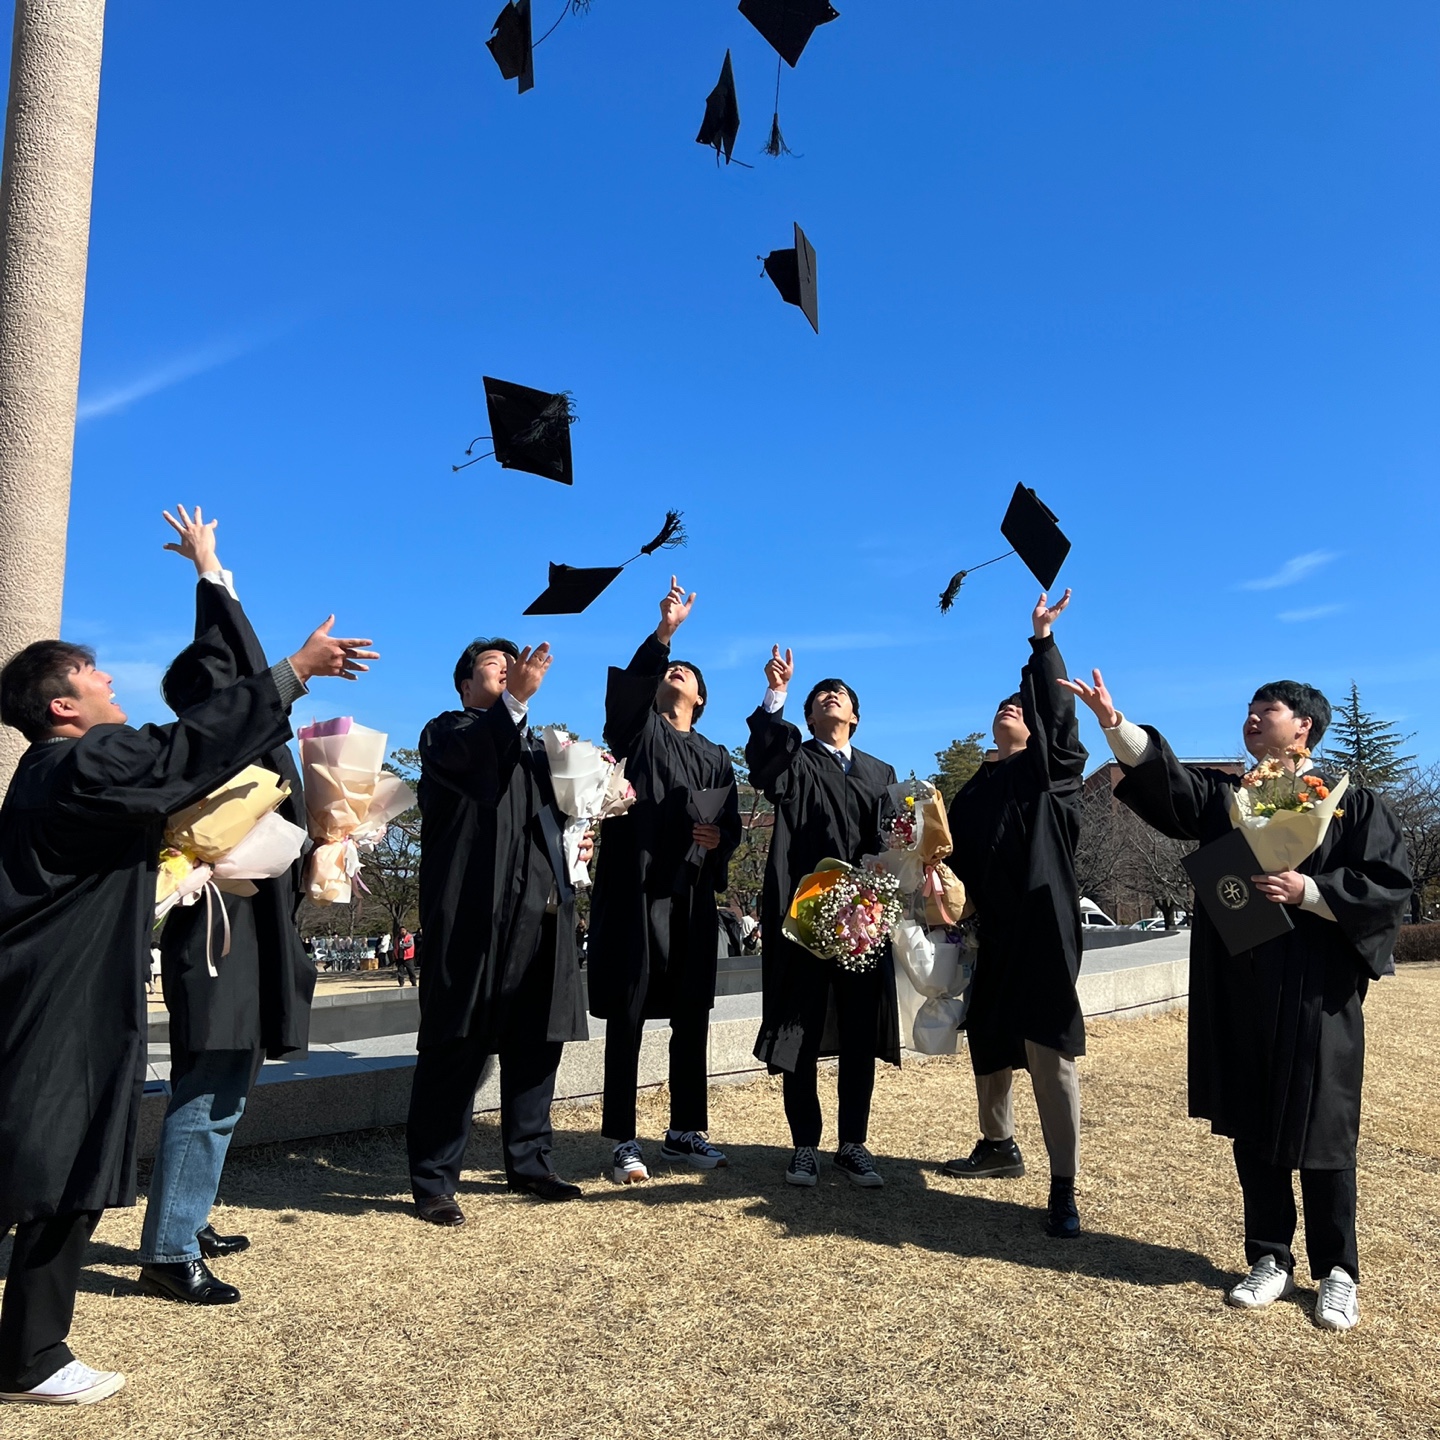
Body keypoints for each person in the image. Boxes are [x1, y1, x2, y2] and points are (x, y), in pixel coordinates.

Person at [0, 548, 372, 1406]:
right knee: (52, 1165)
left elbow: (185, 758)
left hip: (60, 986)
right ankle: (30, 1357)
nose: (110, 681)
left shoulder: (52, 774)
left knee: (49, 1163)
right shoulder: (82, 764)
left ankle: (30, 1353)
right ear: (62, 706)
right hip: (60, 996)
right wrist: (290, 671)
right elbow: (188, 746)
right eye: (92, 675)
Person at [1061, 668, 1412, 1330]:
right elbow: (1172, 785)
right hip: (1244, 983)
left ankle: (1338, 1271)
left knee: (1324, 1126)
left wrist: (1310, 892)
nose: (1252, 717)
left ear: (1303, 726)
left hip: (1317, 991)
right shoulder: (1234, 797)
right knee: (1254, 1120)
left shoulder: (1352, 804)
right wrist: (1114, 723)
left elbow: (1390, 887)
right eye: (1249, 708)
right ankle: (1269, 1256)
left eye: (1266, 709)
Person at [136, 506, 334, 1309]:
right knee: (212, 1078)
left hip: (249, 923)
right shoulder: (205, 744)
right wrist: (209, 572)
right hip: (219, 931)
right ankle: (170, 1248)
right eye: (238, 687)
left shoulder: (234, 744)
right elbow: (244, 663)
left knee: (225, 1076)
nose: (258, 692)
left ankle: (189, 1216)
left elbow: (241, 668)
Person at [405, 637, 589, 1224]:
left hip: (541, 910)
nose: (509, 668)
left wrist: (580, 838)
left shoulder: (542, 751)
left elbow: (560, 820)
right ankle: (434, 1180)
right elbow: (479, 764)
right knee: (456, 1042)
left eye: (514, 663)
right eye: (494, 664)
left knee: (537, 1040)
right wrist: (514, 702)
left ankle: (531, 1163)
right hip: (472, 911)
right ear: (465, 684)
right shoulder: (447, 732)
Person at [942, 591, 1088, 1239]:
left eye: (1021, 706)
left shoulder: (1051, 774)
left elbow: (1058, 717)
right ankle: (998, 1144)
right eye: (1003, 704)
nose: (1010, 707)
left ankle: (1063, 1186)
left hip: (1042, 930)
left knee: (1049, 1052)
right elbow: (950, 860)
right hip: (989, 935)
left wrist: (1041, 642)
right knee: (990, 1039)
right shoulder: (972, 792)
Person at [587, 580, 741, 1183]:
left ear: (700, 698)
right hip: (636, 889)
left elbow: (732, 825)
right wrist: (664, 635)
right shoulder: (640, 732)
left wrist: (717, 839)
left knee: (691, 1012)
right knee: (628, 1013)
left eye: (687, 672)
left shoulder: (716, 754)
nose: (676, 672)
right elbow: (628, 693)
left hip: (692, 896)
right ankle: (623, 1139)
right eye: (670, 669)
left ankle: (684, 1131)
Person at [746, 646, 900, 1188]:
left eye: (840, 694)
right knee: (801, 1029)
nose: (830, 695)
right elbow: (764, 764)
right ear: (809, 718)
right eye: (819, 696)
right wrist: (777, 694)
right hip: (805, 913)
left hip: (863, 918)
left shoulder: (881, 772)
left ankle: (852, 1143)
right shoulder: (796, 760)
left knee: (859, 1028)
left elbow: (892, 841)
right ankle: (805, 1146)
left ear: (854, 716)